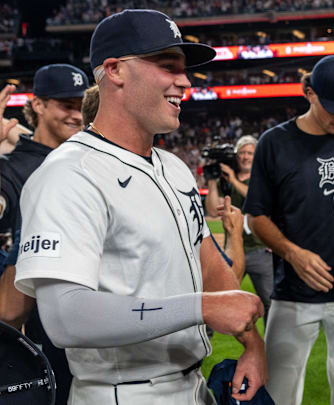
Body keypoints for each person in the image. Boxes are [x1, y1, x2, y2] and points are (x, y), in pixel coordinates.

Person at [13, 9, 266, 404]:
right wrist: (200, 307)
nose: (184, 81)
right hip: (122, 392)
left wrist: (252, 345)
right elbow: (65, 318)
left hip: (192, 384)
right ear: (114, 70)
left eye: (184, 69)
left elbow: (207, 264)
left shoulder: (175, 167)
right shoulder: (67, 174)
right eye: (168, 66)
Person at [244, 55, 334, 405]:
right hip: (294, 291)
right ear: (309, 92)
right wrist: (293, 252)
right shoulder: (274, 143)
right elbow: (256, 216)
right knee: (279, 395)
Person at [0, 63, 89, 405]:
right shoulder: (12, 168)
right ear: (38, 105)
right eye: (67, 105)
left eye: (82, 106)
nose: (77, 115)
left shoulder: (89, 159)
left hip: (91, 326)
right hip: (35, 333)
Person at [205, 135, 273, 320]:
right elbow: (212, 210)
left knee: (269, 302)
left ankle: (271, 346)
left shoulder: (263, 177)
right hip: (232, 249)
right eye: (242, 152)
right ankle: (205, 343)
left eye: (250, 152)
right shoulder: (225, 180)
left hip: (259, 250)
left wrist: (234, 180)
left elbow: (257, 200)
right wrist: (212, 181)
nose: (245, 156)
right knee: (218, 298)